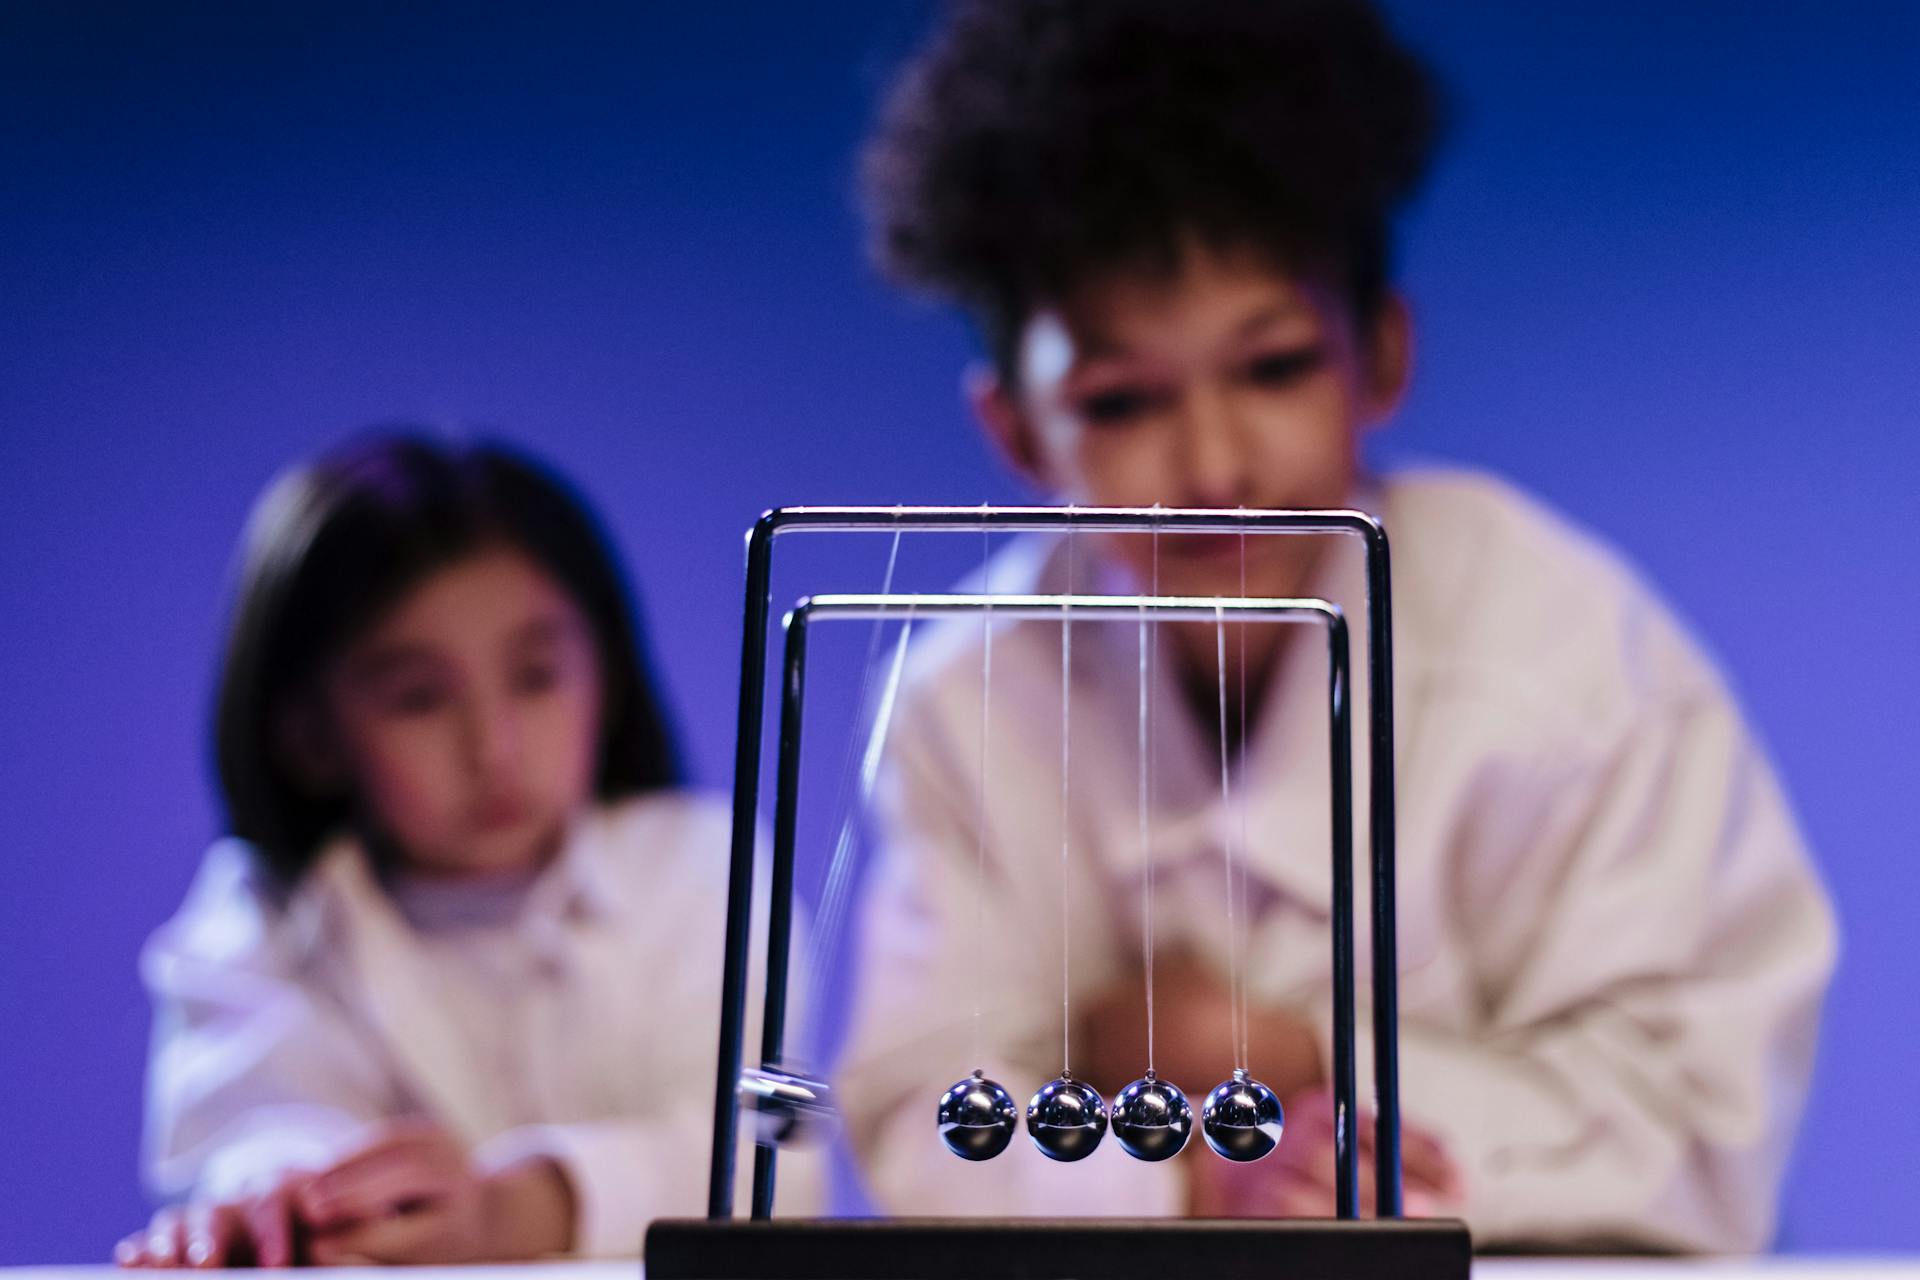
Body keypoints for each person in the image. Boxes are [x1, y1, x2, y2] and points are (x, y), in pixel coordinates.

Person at [835, 0, 1836, 1252]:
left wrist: (1297, 1065)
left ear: (1382, 352)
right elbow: (923, 1119)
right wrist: (1192, 1180)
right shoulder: (964, 697)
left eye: (1273, 367)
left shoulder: (1565, 654)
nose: (1210, 465)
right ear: (1017, 431)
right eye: (1123, 397)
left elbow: (1699, 1109)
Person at [116, 433, 815, 1266]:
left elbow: (776, 1161)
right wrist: (303, 1205)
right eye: (419, 699)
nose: (494, 747)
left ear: (608, 675)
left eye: (536, 676)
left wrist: (509, 1213)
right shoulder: (258, 915)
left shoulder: (701, 869)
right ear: (309, 735)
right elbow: (249, 1133)